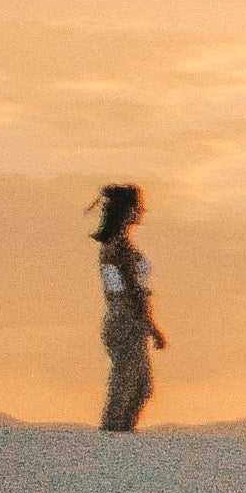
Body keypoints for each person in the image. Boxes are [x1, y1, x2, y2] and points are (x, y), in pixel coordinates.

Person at [93, 184, 167, 432]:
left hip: (126, 318)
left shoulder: (118, 245)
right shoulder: (119, 247)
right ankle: (115, 436)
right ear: (127, 210)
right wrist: (152, 328)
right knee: (129, 385)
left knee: (138, 385)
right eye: (138, 205)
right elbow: (133, 292)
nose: (142, 210)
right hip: (126, 319)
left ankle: (120, 434)